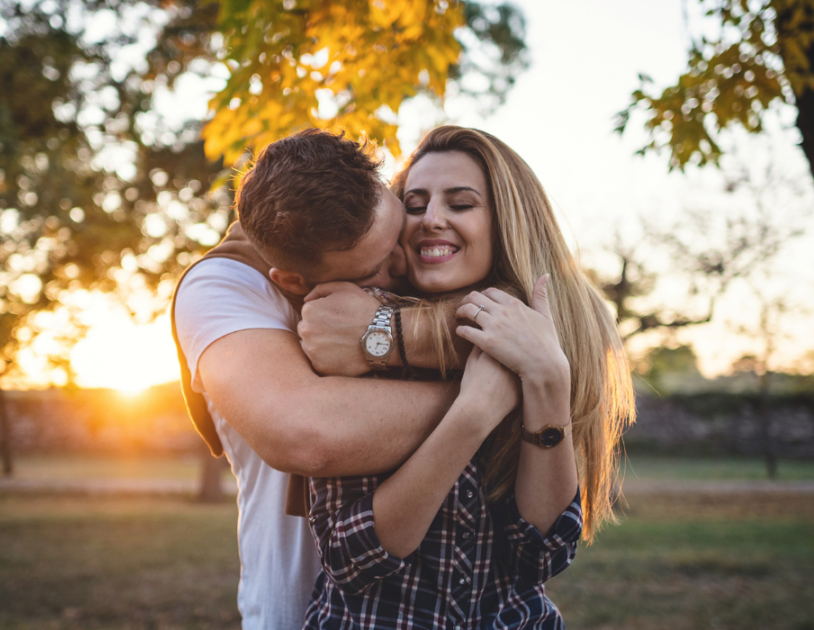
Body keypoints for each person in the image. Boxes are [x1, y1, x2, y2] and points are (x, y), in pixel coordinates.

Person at [301, 126, 635, 629]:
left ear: (507, 220)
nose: (432, 219)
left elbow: (542, 556)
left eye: (460, 204)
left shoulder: (555, 335)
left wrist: (546, 378)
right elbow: (351, 556)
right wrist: (472, 414)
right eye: (414, 204)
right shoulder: (360, 324)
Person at [172, 129, 481, 630]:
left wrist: (385, 331)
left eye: (396, 231)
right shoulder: (223, 285)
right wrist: (489, 397)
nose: (403, 262)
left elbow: (555, 329)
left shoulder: (423, 238)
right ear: (292, 281)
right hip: (293, 612)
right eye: (375, 268)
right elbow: (307, 434)